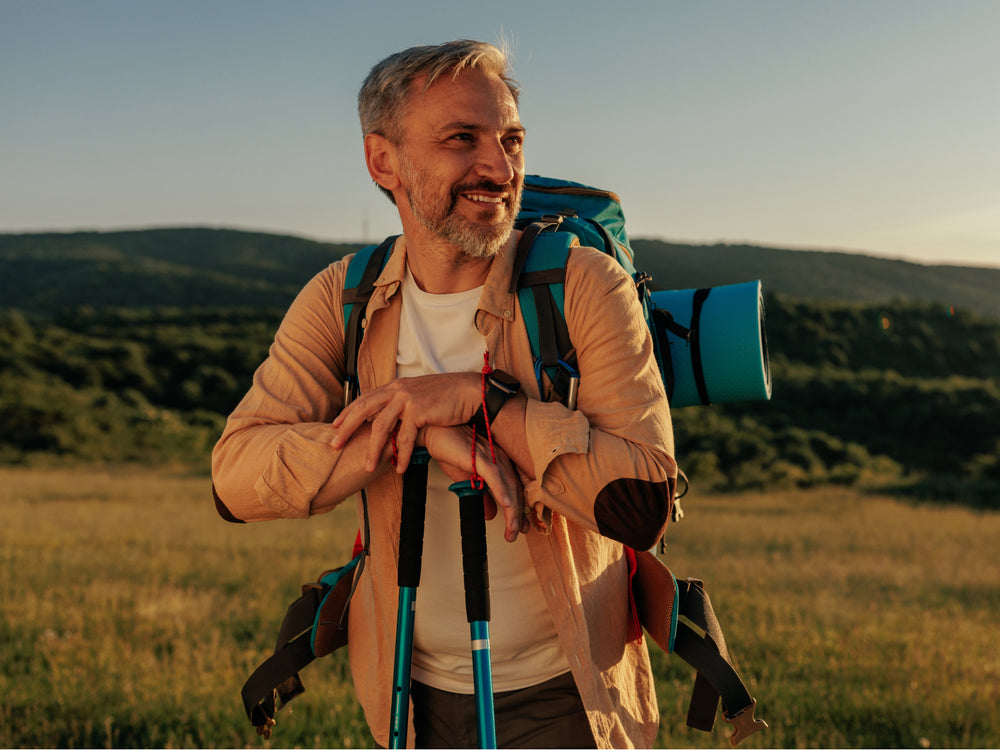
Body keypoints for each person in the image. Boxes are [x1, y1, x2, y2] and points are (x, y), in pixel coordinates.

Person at [212, 39, 677, 749]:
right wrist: (419, 427)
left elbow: (641, 504)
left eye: (511, 140)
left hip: (568, 698)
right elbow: (234, 478)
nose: (500, 167)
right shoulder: (346, 296)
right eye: (464, 139)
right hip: (407, 694)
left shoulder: (582, 285)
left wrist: (481, 402)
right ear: (383, 162)